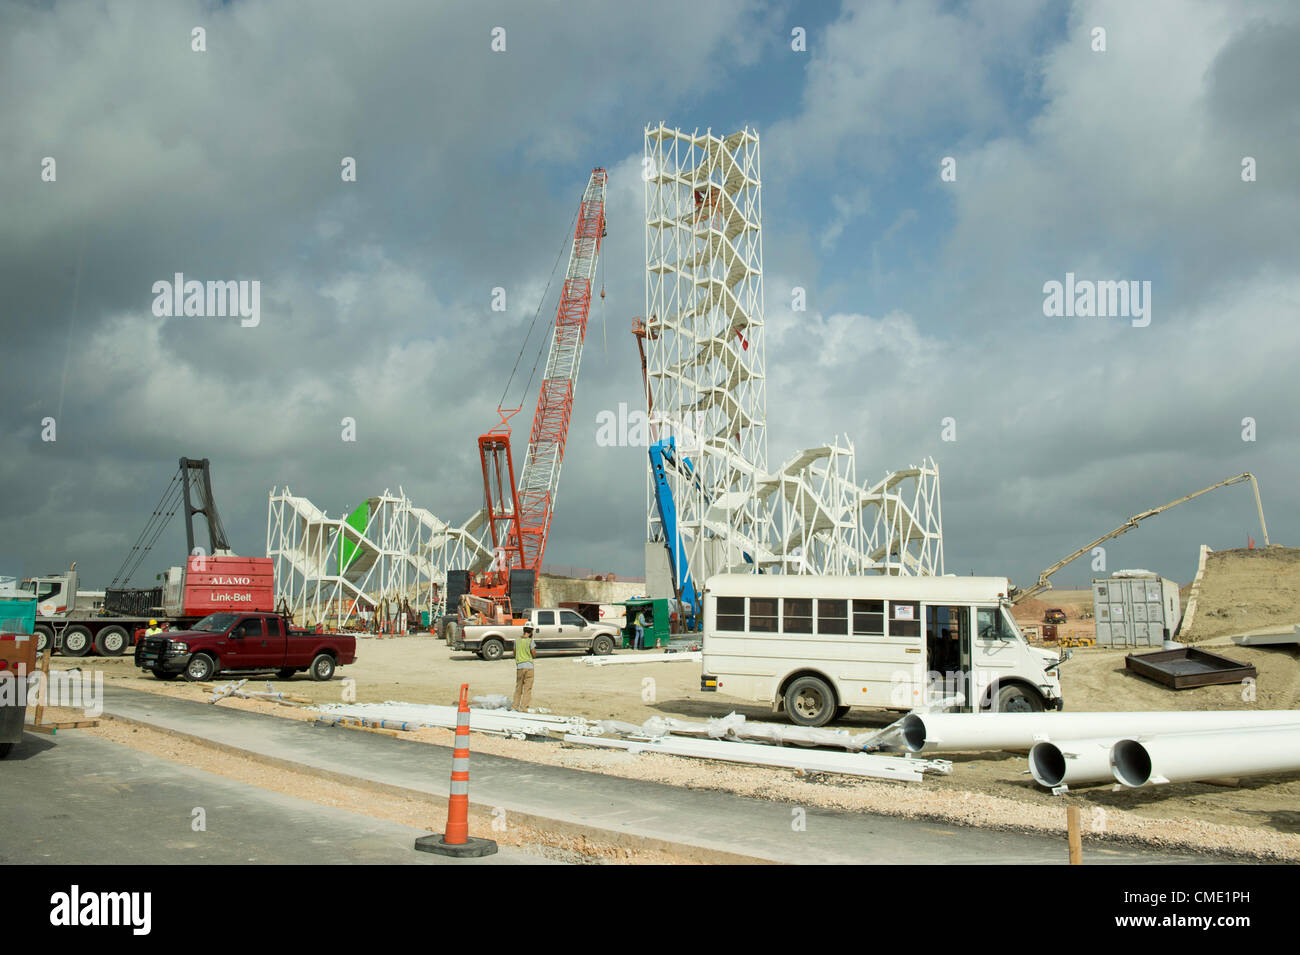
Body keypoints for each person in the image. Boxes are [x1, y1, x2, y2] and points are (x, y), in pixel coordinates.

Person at [512, 624, 536, 711]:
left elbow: (514, 653)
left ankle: (514, 706)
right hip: (529, 667)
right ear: (531, 631)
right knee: (527, 689)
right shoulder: (530, 641)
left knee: (518, 688)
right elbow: (533, 654)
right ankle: (523, 708)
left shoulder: (517, 640)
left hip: (519, 667)